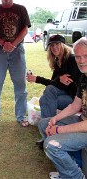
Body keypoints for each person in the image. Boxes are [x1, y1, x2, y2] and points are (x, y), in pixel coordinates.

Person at [38, 37, 87, 179]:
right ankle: (70, 167)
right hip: (81, 120)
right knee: (44, 123)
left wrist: (59, 129)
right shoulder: (84, 77)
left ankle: (76, 176)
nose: (81, 61)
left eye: (85, 56)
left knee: (51, 144)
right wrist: (54, 119)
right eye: (78, 57)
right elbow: (75, 105)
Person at [27, 34, 81, 119]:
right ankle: (49, 125)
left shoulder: (71, 59)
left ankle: (47, 125)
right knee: (45, 96)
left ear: (62, 45)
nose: (54, 47)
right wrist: (37, 79)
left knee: (45, 97)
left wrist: (39, 79)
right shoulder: (57, 62)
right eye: (52, 45)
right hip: (65, 94)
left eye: (57, 44)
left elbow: (64, 84)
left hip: (76, 99)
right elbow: (54, 84)